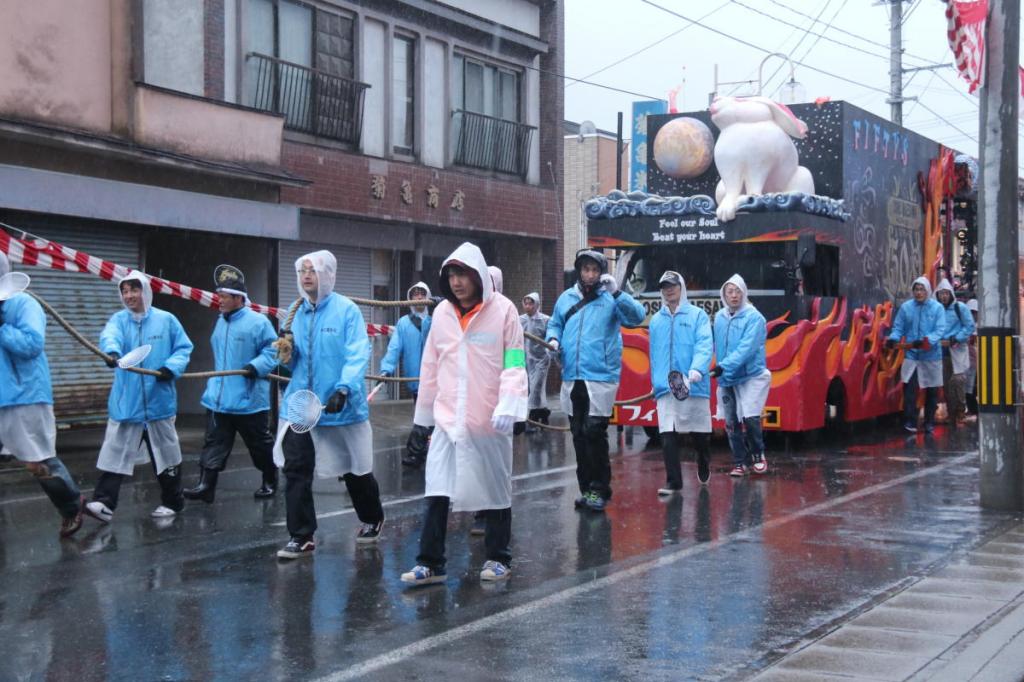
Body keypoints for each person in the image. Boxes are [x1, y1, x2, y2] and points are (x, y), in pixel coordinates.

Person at [400, 242, 528, 585]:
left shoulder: (504, 311)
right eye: (451, 275)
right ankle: (430, 562)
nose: (457, 282)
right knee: (437, 489)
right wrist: (421, 421)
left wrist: (510, 404)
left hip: (489, 419)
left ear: (478, 276)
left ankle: (499, 558)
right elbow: (430, 365)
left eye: (463, 274)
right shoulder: (441, 314)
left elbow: (515, 361)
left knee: (495, 490)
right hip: (447, 420)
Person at [273, 250, 385, 559]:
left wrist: (344, 389)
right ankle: (301, 535)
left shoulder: (347, 311)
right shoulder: (293, 313)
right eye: (302, 270)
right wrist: (283, 352)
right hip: (301, 406)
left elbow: (357, 352)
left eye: (313, 270)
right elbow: (289, 362)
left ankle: (372, 517)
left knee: (354, 470)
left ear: (328, 275)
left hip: (340, 406)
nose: (307, 275)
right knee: (295, 468)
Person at [85, 271, 193, 523]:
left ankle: (173, 501)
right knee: (115, 451)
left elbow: (183, 348)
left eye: (134, 290)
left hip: (159, 401)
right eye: (124, 291)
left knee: (165, 454)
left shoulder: (166, 320)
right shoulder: (118, 320)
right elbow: (109, 337)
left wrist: (171, 368)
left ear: (145, 291)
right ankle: (104, 502)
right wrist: (111, 352)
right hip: (127, 402)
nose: (129, 296)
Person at [546, 249, 645, 512]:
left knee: (594, 432)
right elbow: (555, 323)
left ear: (601, 273)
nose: (589, 274)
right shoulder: (566, 298)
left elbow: (637, 316)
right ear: (579, 271)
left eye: (594, 270)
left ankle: (600, 489)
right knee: (578, 434)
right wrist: (553, 339)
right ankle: (586, 489)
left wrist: (617, 293)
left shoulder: (610, 298)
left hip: (600, 376)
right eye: (585, 269)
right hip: (572, 374)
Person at [0, 252, 84, 537]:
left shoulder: (24, 303)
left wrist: (1, 327)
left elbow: (32, 344)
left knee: (37, 461)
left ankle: (71, 505)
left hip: (25, 394)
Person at [183, 265, 280, 503]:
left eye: (224, 297)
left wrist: (255, 366)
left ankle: (270, 477)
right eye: (219, 296)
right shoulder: (220, 321)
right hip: (219, 398)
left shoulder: (258, 322)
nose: (219, 301)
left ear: (239, 299)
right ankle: (206, 485)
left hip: (249, 401)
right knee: (214, 443)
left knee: (259, 446)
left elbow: (274, 350)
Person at [649, 271, 713, 494]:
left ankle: (703, 459)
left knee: (698, 434)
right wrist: (655, 381)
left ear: (681, 287)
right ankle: (673, 482)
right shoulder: (656, 321)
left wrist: (696, 369)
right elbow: (655, 354)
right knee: (667, 432)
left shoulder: (698, 316)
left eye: (673, 286)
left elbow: (704, 345)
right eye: (665, 286)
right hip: (666, 386)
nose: (669, 290)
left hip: (692, 384)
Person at [710, 274, 771, 477]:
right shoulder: (719, 317)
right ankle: (739, 461)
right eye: (730, 292)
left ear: (744, 293)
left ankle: (757, 455)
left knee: (750, 416)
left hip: (750, 375)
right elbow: (713, 345)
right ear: (724, 295)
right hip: (727, 377)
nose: (734, 296)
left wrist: (723, 366)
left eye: (737, 291)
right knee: (730, 422)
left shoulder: (755, 318)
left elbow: (746, 349)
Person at [379, 281, 433, 468]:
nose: (418, 297)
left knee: (426, 416)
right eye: (415, 294)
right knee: (424, 416)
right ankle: (425, 449)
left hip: (436, 379)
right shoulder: (403, 323)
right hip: (415, 381)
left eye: (422, 293)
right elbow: (394, 348)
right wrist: (386, 370)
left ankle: (416, 452)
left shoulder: (436, 320)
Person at [885, 276, 946, 433]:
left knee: (931, 391)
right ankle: (910, 422)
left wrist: (927, 340)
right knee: (909, 389)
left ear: (928, 291)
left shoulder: (937, 308)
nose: (919, 293)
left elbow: (939, 330)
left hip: (931, 356)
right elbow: (898, 327)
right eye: (916, 289)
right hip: (911, 355)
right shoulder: (906, 308)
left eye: (922, 289)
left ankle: (929, 422)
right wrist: (893, 339)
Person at [934, 280, 975, 428]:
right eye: (941, 293)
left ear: (950, 293)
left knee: (958, 380)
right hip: (941, 351)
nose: (943, 296)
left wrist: (956, 338)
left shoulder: (960, 308)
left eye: (946, 293)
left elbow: (969, 326)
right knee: (946, 384)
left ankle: (960, 410)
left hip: (957, 350)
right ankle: (952, 414)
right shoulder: (935, 309)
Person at [521, 292, 552, 427]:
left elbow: (551, 337)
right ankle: (544, 412)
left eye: (531, 303)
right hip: (528, 360)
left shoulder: (545, 320)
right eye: (525, 303)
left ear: (537, 304)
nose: (528, 307)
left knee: (535, 388)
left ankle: (532, 419)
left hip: (541, 360)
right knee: (535, 388)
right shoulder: (520, 320)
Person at [964, 298, 979, 416]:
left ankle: (974, 409)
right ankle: (971, 409)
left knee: (973, 387)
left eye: (975, 312)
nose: (973, 315)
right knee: (968, 387)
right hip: (967, 362)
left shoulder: (980, 327)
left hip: (978, 362)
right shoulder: (965, 326)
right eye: (971, 312)